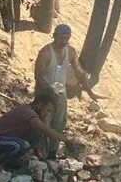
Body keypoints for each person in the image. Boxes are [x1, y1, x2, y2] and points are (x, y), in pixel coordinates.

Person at [33, 23, 93, 158]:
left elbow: (79, 72)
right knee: (44, 124)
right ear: (54, 36)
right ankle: (40, 155)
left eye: (66, 38)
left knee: (59, 124)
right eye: (61, 38)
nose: (63, 42)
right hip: (45, 95)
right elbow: (38, 76)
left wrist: (89, 91)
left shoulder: (70, 52)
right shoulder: (46, 52)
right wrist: (49, 92)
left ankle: (52, 154)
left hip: (60, 94)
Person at [0, 92, 72, 167]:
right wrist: (65, 140)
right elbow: (46, 130)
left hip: (9, 141)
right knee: (21, 145)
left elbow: (37, 135)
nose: (47, 114)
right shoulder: (28, 113)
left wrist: (39, 156)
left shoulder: (33, 114)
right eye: (48, 110)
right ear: (39, 105)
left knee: (36, 133)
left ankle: (10, 160)